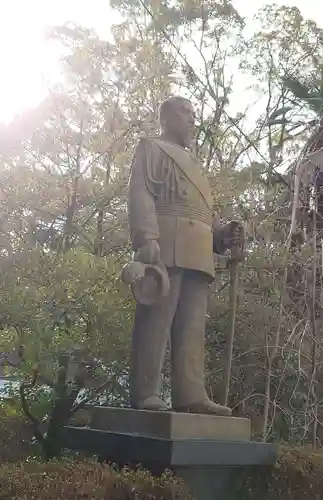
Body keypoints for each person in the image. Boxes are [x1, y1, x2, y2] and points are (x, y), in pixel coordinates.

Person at [126, 95, 243, 415]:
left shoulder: (196, 164)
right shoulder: (151, 148)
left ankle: (191, 395)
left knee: (193, 326)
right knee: (157, 319)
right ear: (165, 118)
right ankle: (145, 391)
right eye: (184, 112)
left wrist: (220, 236)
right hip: (166, 241)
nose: (192, 119)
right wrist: (146, 236)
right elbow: (140, 193)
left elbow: (201, 213)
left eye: (194, 113)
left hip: (198, 249)